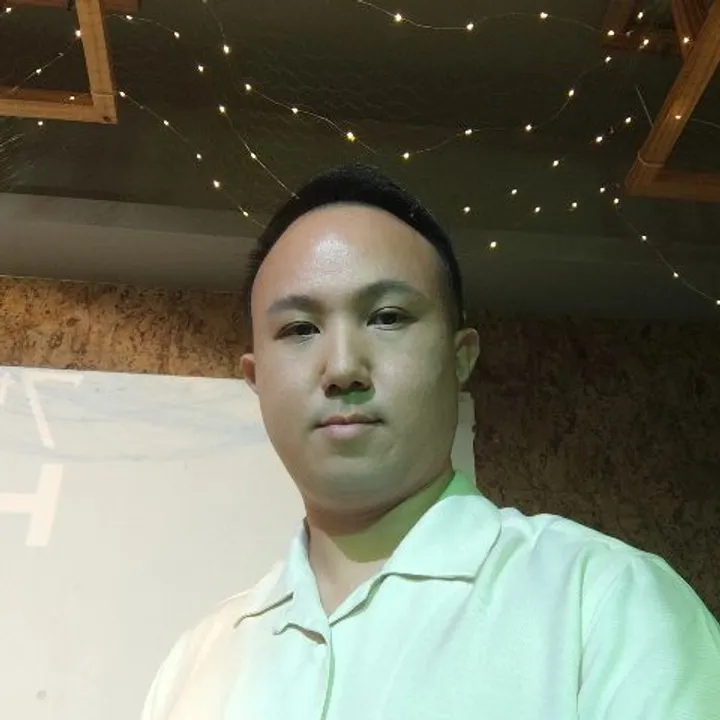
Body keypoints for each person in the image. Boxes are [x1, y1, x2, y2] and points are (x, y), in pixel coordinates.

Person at [142, 163, 720, 719]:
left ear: (459, 356)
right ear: (256, 378)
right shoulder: (196, 664)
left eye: (387, 317)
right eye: (299, 329)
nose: (342, 367)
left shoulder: (603, 604)